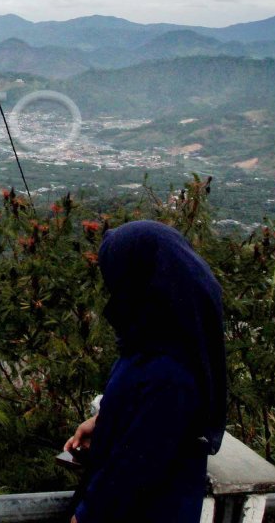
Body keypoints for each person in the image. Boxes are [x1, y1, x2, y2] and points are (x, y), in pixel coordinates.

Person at [64, 220, 227, 523]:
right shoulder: (159, 341)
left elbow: (130, 476)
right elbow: (149, 419)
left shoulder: (170, 373)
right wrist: (104, 420)